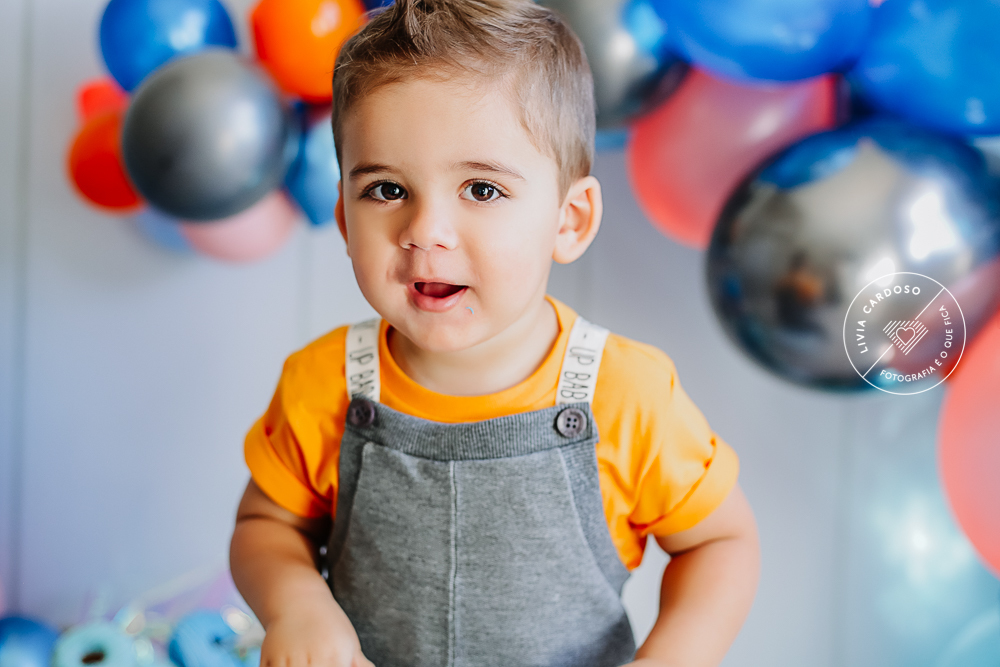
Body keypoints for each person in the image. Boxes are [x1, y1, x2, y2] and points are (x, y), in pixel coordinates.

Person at [229, 0, 760, 665]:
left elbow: (720, 543)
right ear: (343, 218)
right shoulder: (323, 384)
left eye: (481, 190)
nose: (425, 231)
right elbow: (265, 525)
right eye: (387, 190)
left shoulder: (626, 395)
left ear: (568, 220)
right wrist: (297, 606)